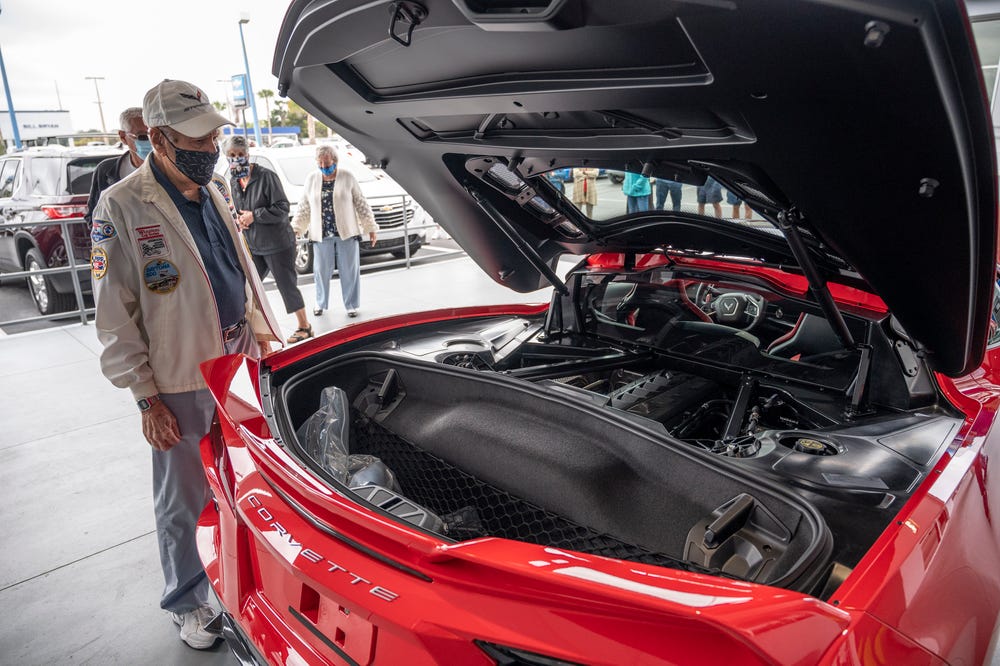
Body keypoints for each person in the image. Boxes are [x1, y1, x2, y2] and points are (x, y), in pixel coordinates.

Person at [90, 80, 282, 650]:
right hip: (179, 376)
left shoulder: (215, 189)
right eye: (197, 138)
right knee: (183, 497)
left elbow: (238, 273)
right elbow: (113, 314)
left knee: (244, 479)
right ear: (159, 139)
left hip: (237, 361)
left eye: (216, 134)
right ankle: (188, 602)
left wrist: (264, 337)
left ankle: (239, 579)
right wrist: (146, 398)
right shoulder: (122, 203)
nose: (212, 145)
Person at [225, 135, 313, 343]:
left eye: (240, 155)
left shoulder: (267, 176)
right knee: (246, 285)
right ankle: (256, 328)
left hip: (278, 243)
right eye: (231, 155)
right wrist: (241, 219)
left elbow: (282, 208)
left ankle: (305, 326)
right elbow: (239, 210)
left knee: (286, 284)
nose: (236, 159)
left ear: (248, 154)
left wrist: (254, 215)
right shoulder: (234, 180)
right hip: (254, 244)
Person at [292, 145, 377, 317]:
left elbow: (361, 203)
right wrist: (296, 229)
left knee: (349, 270)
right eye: (320, 163)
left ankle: (351, 304)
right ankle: (320, 302)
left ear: (335, 162)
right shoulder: (312, 179)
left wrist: (371, 228)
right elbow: (304, 206)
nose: (324, 167)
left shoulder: (347, 176)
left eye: (327, 163)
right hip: (321, 234)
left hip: (347, 233)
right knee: (321, 271)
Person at [85, 107, 150, 225]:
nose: (150, 141)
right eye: (143, 136)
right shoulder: (106, 171)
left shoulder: (171, 167)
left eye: (153, 134)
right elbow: (94, 215)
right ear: (123, 137)